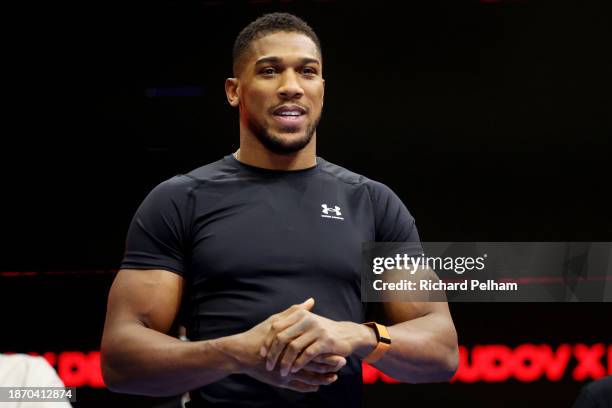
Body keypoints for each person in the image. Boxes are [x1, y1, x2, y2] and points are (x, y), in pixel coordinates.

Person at [101, 12, 458, 407]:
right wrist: (237, 352)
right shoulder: (180, 200)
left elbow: (441, 349)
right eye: (270, 71)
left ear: (322, 87)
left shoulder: (372, 202)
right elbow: (120, 360)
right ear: (234, 91)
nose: (291, 87)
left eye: (307, 72)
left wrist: (356, 335)